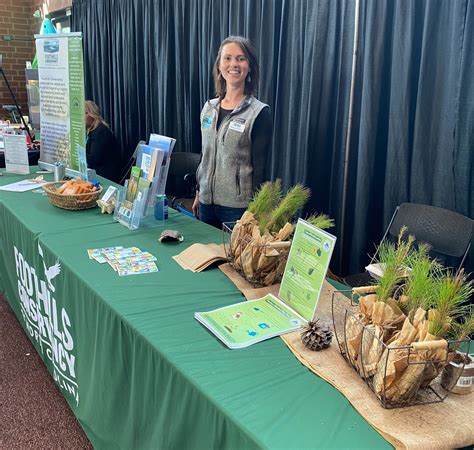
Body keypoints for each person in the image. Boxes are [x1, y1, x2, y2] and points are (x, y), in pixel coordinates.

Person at [192, 36, 272, 228]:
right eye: (227, 58)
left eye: (240, 58)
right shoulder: (208, 108)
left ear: (249, 66)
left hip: (238, 208)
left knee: (234, 258)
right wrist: (198, 190)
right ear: (220, 65)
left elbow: (260, 168)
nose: (233, 64)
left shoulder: (259, 112)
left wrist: (257, 209)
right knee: (210, 258)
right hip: (205, 202)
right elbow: (205, 154)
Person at [85, 100, 123, 183]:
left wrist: (77, 152)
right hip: (98, 172)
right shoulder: (92, 130)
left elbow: (94, 160)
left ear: (92, 115)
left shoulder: (100, 132)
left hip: (106, 177)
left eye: (85, 113)